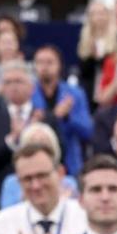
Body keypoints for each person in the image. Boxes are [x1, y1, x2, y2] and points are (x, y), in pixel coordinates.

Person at [0, 62, 45, 219]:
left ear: (32, 87)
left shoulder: (45, 119)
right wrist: (11, 140)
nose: (13, 86)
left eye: (18, 81)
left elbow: (60, 152)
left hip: (41, 193)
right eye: (8, 82)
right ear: (2, 88)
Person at [31, 45, 94, 180]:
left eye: (49, 62)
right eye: (40, 62)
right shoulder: (28, 93)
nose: (44, 67)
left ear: (59, 65)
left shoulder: (75, 94)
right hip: (37, 160)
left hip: (70, 163)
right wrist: (55, 115)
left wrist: (67, 117)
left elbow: (88, 131)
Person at [77, 2, 117, 111]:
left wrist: (100, 59)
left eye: (101, 13)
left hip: (111, 88)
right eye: (94, 14)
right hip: (91, 89)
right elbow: (83, 71)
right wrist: (92, 57)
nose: (98, 17)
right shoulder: (85, 39)